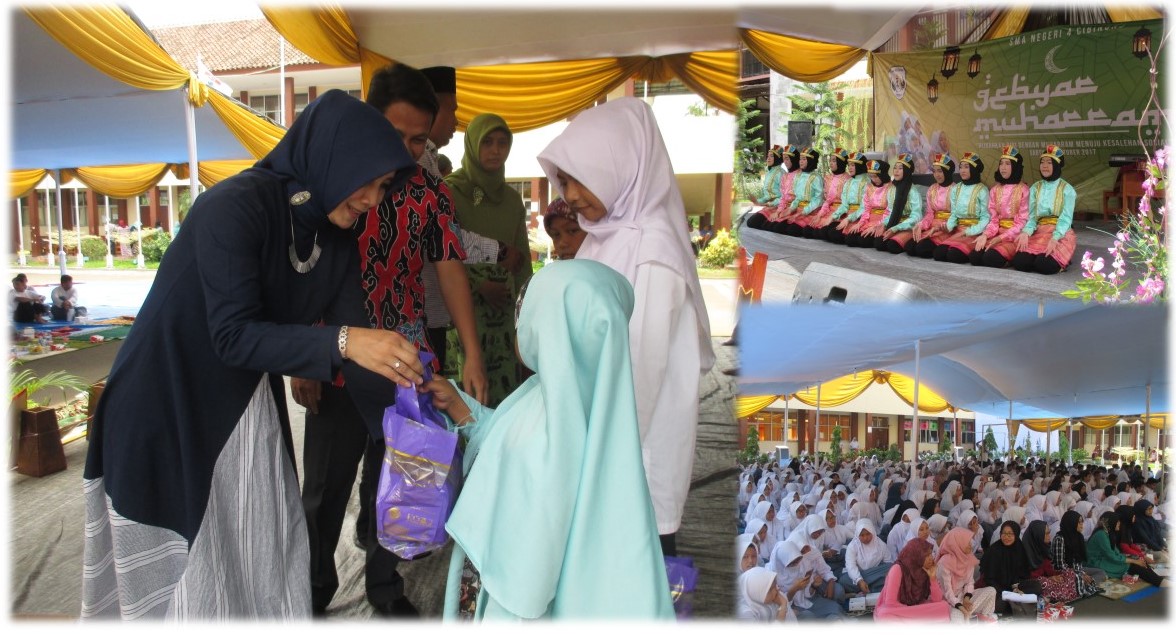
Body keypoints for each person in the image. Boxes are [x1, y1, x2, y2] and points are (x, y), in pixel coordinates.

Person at [79, 90, 423, 619]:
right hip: (163, 400)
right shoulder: (233, 206)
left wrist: (411, 425)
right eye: (370, 182)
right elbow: (234, 335)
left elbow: (363, 352)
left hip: (239, 402)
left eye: (384, 188)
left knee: (254, 552)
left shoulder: (334, 238)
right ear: (336, 157)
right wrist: (344, 340)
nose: (374, 201)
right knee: (181, 571)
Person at [291, 64, 487, 617]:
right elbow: (304, 271)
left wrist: (472, 353)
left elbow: (448, 265)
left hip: (405, 364)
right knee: (324, 488)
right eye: (393, 133)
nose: (404, 150)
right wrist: (304, 358)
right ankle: (310, 593)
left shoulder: (430, 193)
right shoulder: (335, 182)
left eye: (417, 139)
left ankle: (384, 584)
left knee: (399, 476)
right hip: (336, 354)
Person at [424, 260, 673, 619]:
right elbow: (509, 439)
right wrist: (462, 409)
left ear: (550, 329)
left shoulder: (557, 428)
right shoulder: (578, 406)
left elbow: (526, 576)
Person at [537, 97, 714, 555]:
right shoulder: (608, 235)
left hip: (631, 455)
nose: (571, 194)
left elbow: (639, 370)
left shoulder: (651, 249)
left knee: (635, 564)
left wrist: (592, 457)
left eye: (579, 177)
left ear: (618, 165)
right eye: (564, 180)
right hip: (600, 440)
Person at [444, 113, 532, 407]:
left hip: (504, 319)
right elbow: (439, 257)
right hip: (462, 314)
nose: (496, 151)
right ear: (472, 145)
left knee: (504, 404)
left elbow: (523, 264)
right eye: (487, 142)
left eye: (502, 143)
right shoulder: (449, 193)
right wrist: (478, 284)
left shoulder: (512, 200)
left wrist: (526, 317)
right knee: (464, 403)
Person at [1012, 145, 1077, 274]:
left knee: (1044, 265)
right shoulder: (1035, 188)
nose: (1044, 166)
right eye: (1042, 162)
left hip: (1060, 232)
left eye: (1049, 162)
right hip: (1039, 231)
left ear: (1057, 165)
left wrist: (1055, 238)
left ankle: (1063, 260)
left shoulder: (1067, 189)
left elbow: (1066, 218)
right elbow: (1032, 217)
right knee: (1020, 262)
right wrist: (1026, 232)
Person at [976, 145, 1030, 268]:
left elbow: (1023, 222)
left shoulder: (1024, 190)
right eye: (1001, 164)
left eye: (1007, 164)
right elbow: (994, 219)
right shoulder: (995, 190)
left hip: (1014, 235)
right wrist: (985, 235)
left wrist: (1001, 238)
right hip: (997, 233)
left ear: (1015, 167)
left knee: (990, 258)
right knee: (975, 256)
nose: (1003, 167)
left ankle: (1009, 257)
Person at [874, 539, 951, 622]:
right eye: (926, 555)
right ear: (916, 556)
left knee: (944, 606)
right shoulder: (897, 569)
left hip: (915, 608)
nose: (931, 558)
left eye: (931, 554)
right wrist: (912, 612)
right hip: (897, 608)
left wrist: (933, 578)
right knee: (885, 615)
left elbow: (937, 599)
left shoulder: (924, 569)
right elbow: (890, 603)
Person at [933, 152, 989, 263]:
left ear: (973, 169)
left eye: (966, 167)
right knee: (938, 254)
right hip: (958, 230)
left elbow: (986, 218)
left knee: (954, 255)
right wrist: (948, 227)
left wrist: (968, 231)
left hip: (975, 231)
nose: (962, 170)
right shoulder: (956, 188)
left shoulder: (982, 190)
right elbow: (954, 214)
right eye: (961, 167)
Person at [936, 527, 997, 622]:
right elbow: (947, 592)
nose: (970, 545)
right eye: (967, 542)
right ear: (957, 543)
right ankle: (969, 615)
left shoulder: (968, 558)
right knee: (958, 620)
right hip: (949, 602)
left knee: (991, 591)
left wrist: (967, 598)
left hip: (963, 596)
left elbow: (969, 582)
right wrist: (961, 607)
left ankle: (982, 618)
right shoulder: (944, 563)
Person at [876, 153, 923, 253]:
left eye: (900, 168)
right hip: (894, 223)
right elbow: (890, 211)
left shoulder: (913, 191)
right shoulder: (892, 189)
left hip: (908, 226)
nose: (896, 171)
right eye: (895, 168)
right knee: (879, 243)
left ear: (907, 171)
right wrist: (884, 224)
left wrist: (898, 228)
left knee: (892, 246)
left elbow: (917, 216)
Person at [1052, 510, 1106, 596]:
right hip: (1065, 573)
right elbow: (1060, 566)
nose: (1082, 525)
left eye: (1082, 522)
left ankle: (1083, 584)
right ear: (1071, 523)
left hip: (1078, 570)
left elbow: (1078, 562)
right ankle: (1083, 585)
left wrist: (1082, 574)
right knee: (1078, 579)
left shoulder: (1079, 536)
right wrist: (1080, 575)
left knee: (1101, 573)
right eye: (1079, 522)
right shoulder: (1059, 539)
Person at [799, 148, 850, 239]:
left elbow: (846, 204)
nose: (831, 163)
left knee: (829, 234)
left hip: (842, 213)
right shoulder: (828, 178)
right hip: (828, 211)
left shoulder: (848, 179)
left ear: (841, 162)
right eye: (830, 160)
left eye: (834, 161)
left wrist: (832, 217)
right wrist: (819, 215)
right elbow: (827, 201)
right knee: (808, 231)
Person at [912, 152, 955, 258]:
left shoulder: (956, 190)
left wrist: (940, 227)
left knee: (922, 249)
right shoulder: (932, 189)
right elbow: (929, 213)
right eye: (934, 171)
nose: (937, 175)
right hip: (932, 226)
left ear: (947, 171)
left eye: (940, 171)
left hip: (947, 227)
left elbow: (956, 215)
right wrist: (921, 225)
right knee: (910, 247)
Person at [842, 159, 891, 248]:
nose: (873, 180)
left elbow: (890, 211)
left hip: (883, 221)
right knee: (850, 239)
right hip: (869, 220)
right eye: (871, 176)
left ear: (883, 175)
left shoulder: (891, 188)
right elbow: (866, 208)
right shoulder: (869, 187)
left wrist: (877, 226)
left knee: (864, 241)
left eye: (876, 176)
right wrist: (860, 223)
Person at [778, 146, 824, 236]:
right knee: (779, 227)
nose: (801, 162)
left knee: (792, 230)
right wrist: (791, 209)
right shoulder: (798, 176)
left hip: (811, 211)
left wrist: (802, 213)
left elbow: (818, 200)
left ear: (810, 160)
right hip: (798, 210)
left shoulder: (816, 177)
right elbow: (797, 197)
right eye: (800, 159)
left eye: (804, 159)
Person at [839, 518, 892, 594]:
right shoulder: (852, 546)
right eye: (862, 535)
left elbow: (888, 561)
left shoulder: (880, 544)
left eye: (868, 534)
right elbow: (851, 566)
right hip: (861, 574)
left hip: (876, 572)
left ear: (872, 532)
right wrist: (859, 580)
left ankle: (865, 590)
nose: (865, 538)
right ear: (857, 534)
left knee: (891, 567)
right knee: (843, 580)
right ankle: (875, 588)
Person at [750, 144, 785, 209]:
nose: (768, 158)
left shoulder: (781, 173)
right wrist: (757, 201)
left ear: (777, 158)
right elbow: (767, 197)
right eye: (768, 156)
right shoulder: (768, 171)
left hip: (778, 207)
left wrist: (770, 204)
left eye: (771, 156)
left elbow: (784, 196)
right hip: (768, 206)